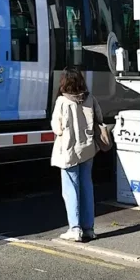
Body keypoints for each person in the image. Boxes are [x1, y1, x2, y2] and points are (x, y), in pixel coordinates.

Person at [51, 67, 101, 242]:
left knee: (71, 189)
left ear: (64, 82)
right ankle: (89, 229)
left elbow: (57, 128)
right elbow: (99, 119)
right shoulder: (90, 99)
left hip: (69, 150)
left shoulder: (62, 102)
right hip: (87, 149)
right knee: (87, 186)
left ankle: (75, 228)